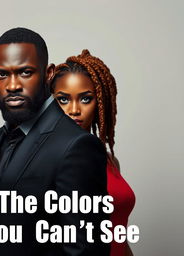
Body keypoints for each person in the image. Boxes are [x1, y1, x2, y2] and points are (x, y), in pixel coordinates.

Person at [0, 28, 110, 256]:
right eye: (2, 74)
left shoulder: (77, 146)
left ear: (49, 74)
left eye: (25, 72)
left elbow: (84, 251)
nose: (12, 85)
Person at [51, 49, 136, 256]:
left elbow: (119, 236)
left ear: (100, 102)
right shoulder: (46, 161)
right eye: (63, 99)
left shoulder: (109, 160)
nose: (74, 110)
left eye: (85, 99)